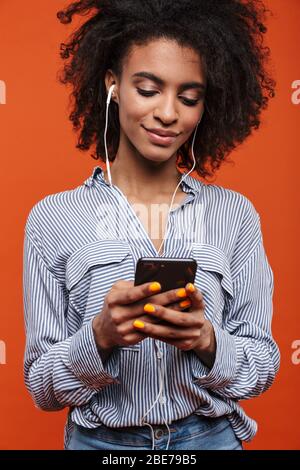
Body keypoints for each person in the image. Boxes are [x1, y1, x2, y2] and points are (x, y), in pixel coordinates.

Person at [23, 0, 280, 451]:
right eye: (148, 89)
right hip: (100, 445)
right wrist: (98, 339)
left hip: (209, 439)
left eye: (188, 98)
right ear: (113, 86)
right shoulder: (53, 218)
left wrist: (207, 340)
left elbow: (262, 365)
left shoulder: (235, 215)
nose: (167, 113)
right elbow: (41, 387)